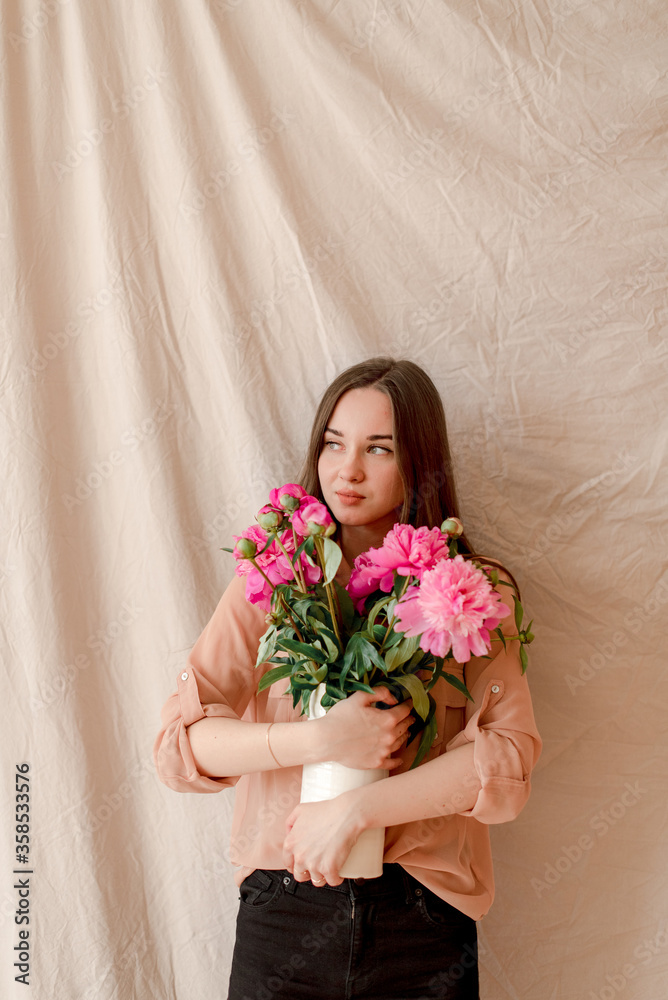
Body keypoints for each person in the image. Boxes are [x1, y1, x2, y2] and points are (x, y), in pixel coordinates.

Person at [154, 357, 542, 1000]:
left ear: (418, 461)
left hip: (421, 919)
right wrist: (322, 741)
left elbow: (505, 766)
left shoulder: (473, 590)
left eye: (378, 448)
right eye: (334, 443)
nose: (347, 469)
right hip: (284, 909)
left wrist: (355, 812)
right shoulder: (275, 578)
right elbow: (179, 744)